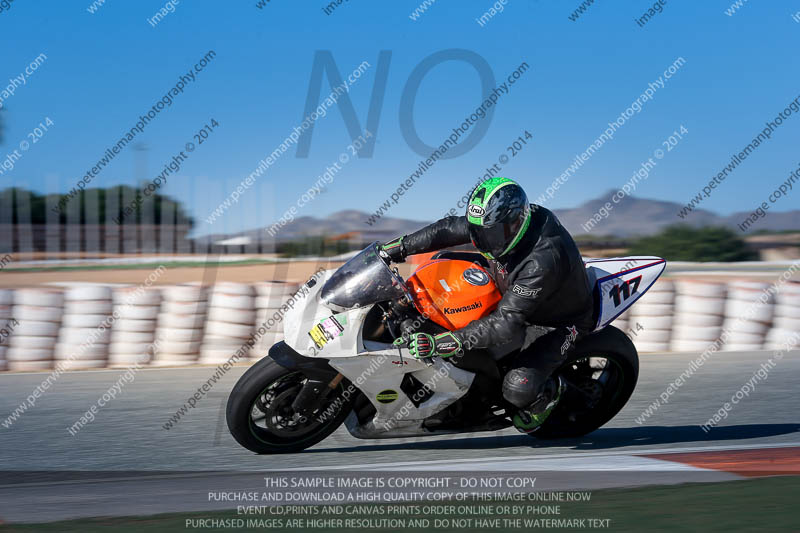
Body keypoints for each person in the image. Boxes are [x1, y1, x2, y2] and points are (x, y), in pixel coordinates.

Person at [380, 177, 596, 433]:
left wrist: (440, 343)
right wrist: (399, 247)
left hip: (555, 321)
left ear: (517, 223)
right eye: (478, 232)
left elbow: (506, 324)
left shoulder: (542, 260)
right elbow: (448, 229)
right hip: (509, 282)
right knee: (442, 262)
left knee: (517, 389)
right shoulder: (496, 224)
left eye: (490, 234)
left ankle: (552, 394)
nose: (482, 240)